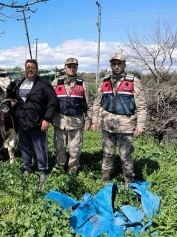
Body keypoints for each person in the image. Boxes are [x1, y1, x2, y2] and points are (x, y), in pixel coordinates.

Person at [91, 53, 147, 184]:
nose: (116, 66)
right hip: (107, 123)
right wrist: (95, 120)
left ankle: (129, 179)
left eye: (119, 64)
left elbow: (141, 105)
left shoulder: (133, 81)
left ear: (124, 65)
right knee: (107, 152)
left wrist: (140, 124)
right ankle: (106, 175)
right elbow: (97, 103)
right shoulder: (105, 81)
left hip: (125, 124)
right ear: (111, 65)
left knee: (125, 155)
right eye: (114, 64)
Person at [9, 59, 58, 185]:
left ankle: (42, 171)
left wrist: (47, 119)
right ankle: (27, 167)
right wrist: (14, 103)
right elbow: (17, 99)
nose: (30, 69)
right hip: (22, 121)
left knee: (40, 147)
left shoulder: (43, 84)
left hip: (37, 122)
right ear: (25, 69)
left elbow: (53, 102)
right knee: (24, 146)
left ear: (37, 69)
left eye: (32, 67)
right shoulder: (21, 83)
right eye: (28, 67)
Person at [51, 57, 92, 176]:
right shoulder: (56, 83)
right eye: (69, 66)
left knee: (75, 149)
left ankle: (73, 169)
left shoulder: (83, 84)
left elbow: (88, 104)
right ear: (65, 68)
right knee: (59, 147)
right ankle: (60, 167)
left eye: (74, 66)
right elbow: (50, 102)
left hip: (76, 121)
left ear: (77, 68)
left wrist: (88, 120)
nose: (72, 68)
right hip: (60, 121)